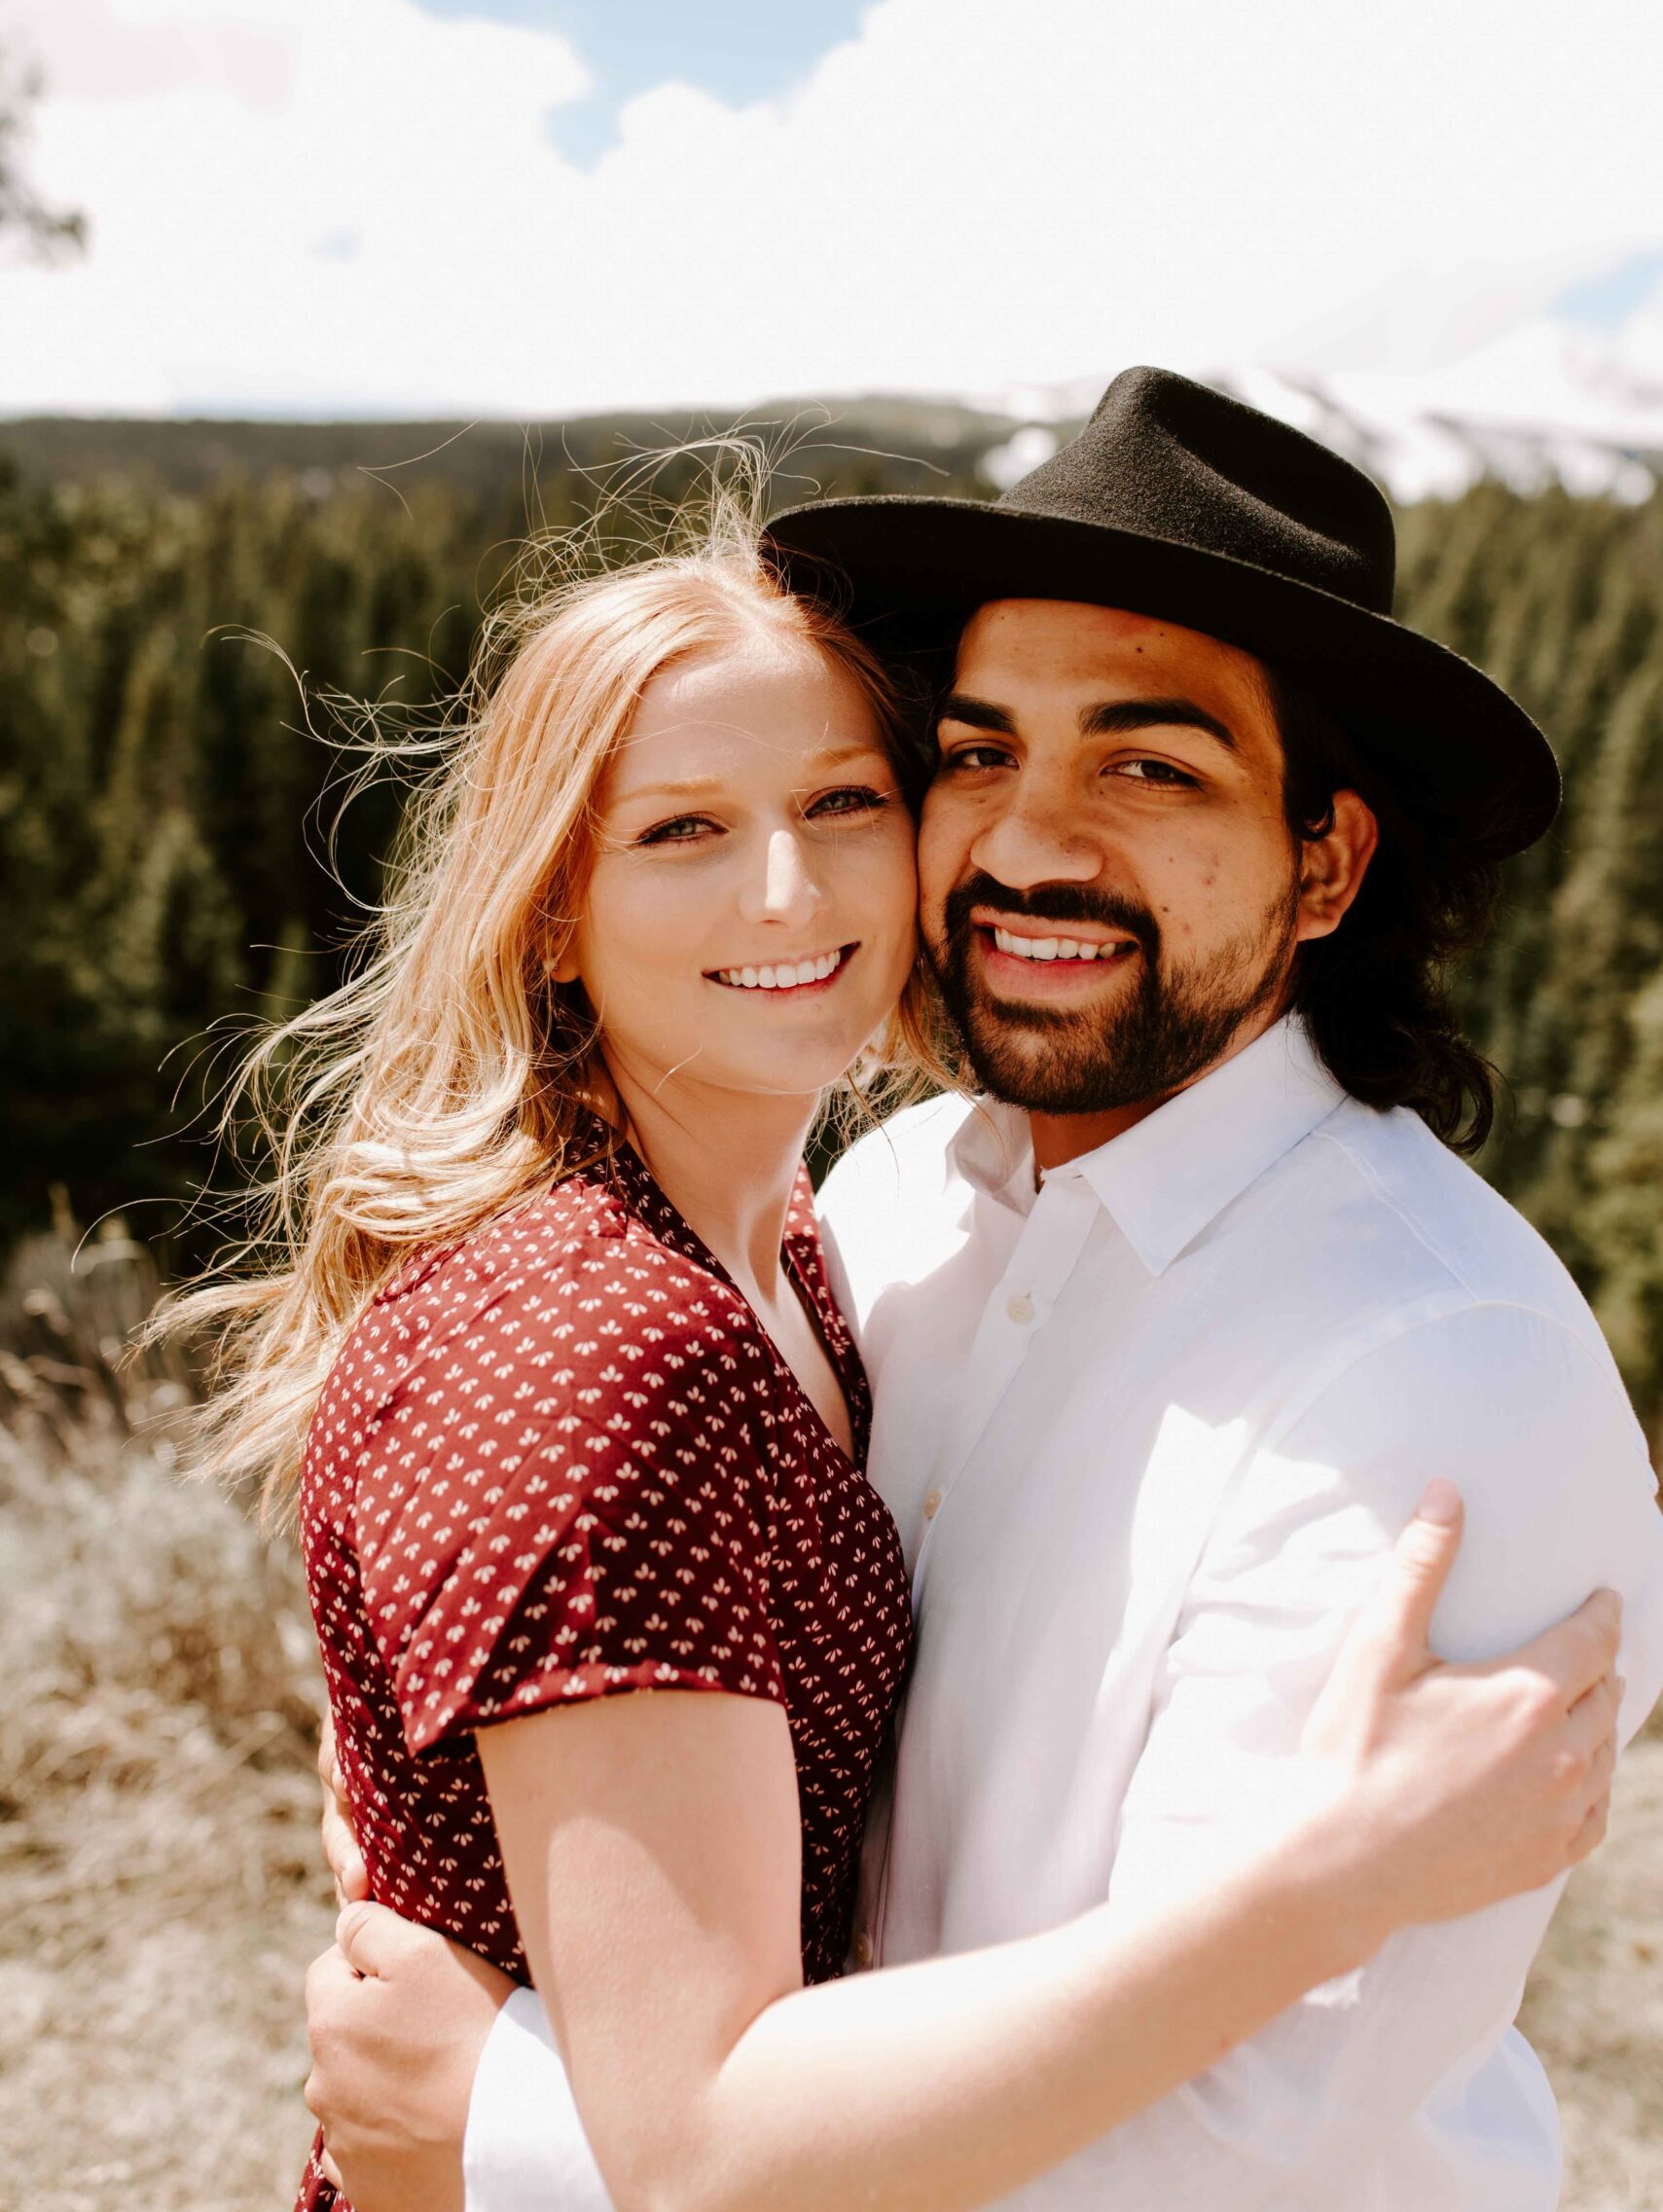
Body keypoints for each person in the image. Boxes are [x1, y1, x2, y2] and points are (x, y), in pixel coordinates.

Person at [301, 375, 1663, 2212]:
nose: (1028, 843)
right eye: (973, 753)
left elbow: (1240, 2143)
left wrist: (514, 2123)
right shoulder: (884, 1214)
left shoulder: (1430, 1380)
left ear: (1325, 861)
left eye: (1149, 764)